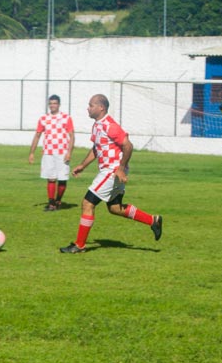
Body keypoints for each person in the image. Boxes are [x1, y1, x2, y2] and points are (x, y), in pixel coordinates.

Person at [59, 94, 163, 253]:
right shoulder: (96, 125)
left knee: (87, 203)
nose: (88, 108)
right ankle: (153, 220)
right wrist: (82, 165)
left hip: (112, 171)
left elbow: (128, 146)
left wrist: (121, 168)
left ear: (101, 107)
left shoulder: (110, 125)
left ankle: (79, 245)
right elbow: (96, 149)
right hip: (110, 171)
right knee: (115, 208)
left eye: (91, 105)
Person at [28, 94, 75, 211]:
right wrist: (32, 153)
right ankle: (51, 203)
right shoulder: (43, 119)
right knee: (51, 178)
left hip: (62, 152)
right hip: (48, 152)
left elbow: (72, 135)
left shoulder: (66, 118)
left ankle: (58, 200)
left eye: (54, 103)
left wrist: (69, 152)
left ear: (58, 104)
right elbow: (37, 135)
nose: (52, 105)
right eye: (51, 103)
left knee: (62, 178)